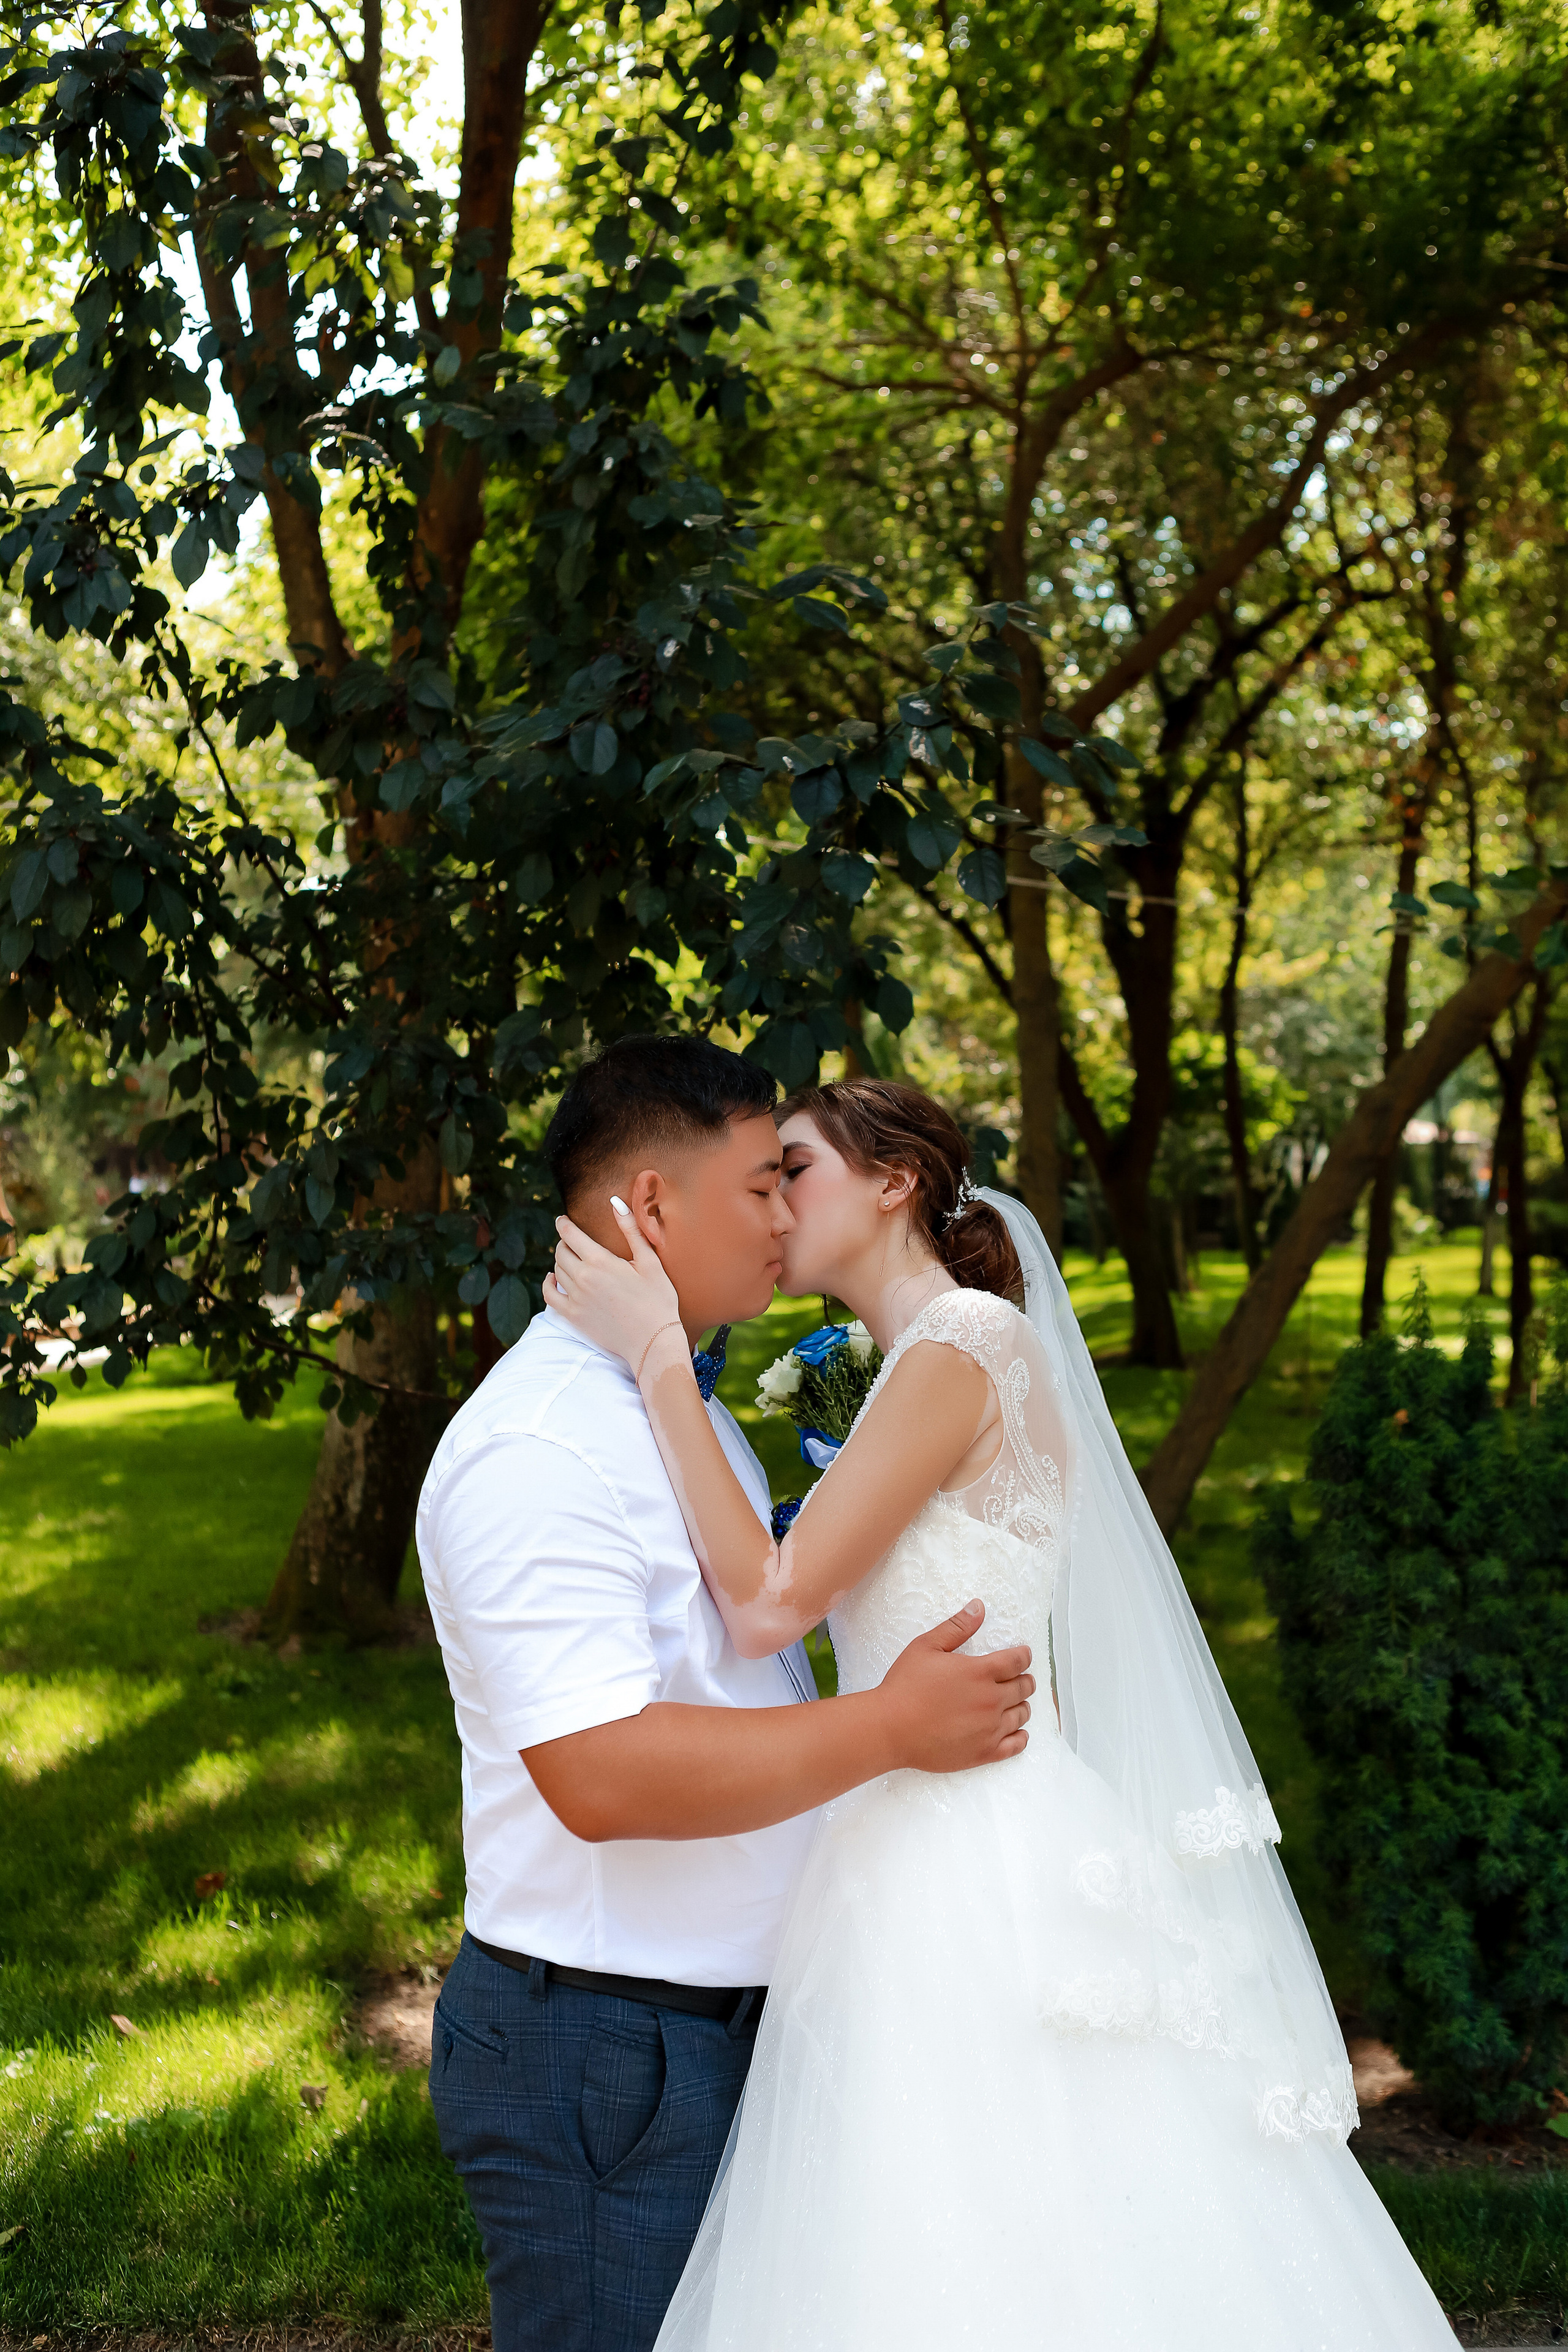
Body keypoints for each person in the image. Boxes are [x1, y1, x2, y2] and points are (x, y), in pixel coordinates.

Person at [547, 1074, 1460, 2351]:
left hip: (966, 1855)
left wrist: (655, 1356)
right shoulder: (917, 1360)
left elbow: (765, 1604)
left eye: (792, 1169)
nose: (770, 1203)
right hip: (903, 1828)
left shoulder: (962, 1346)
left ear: (891, 1182)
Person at [416, 1039, 1035, 2352]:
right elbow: (599, 1774)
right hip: (608, 2049)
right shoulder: (539, 1449)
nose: (781, 1216)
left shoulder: (663, 1412)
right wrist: (886, 1728)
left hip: (729, 2023)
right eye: (760, 1185)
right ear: (648, 1207)